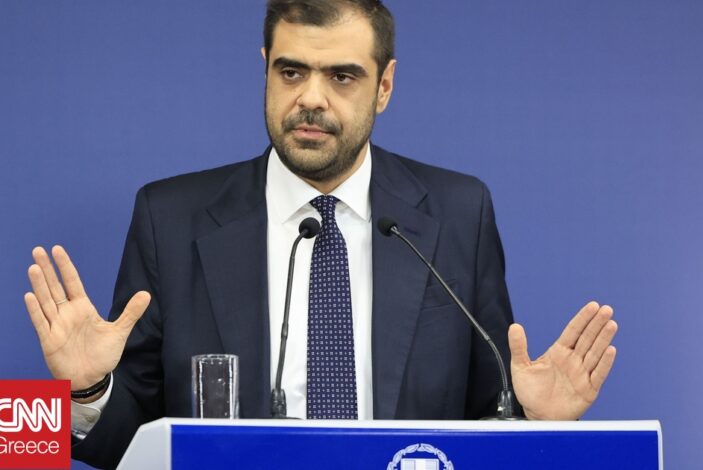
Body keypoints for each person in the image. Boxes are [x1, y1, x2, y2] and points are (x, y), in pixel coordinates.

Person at [23, 1, 618, 468]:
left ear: (384, 86)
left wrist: (542, 426)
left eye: (342, 76)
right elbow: (124, 446)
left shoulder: (459, 213)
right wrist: (86, 391)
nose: (311, 98)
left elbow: (489, 417)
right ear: (265, 69)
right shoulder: (170, 218)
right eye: (291, 72)